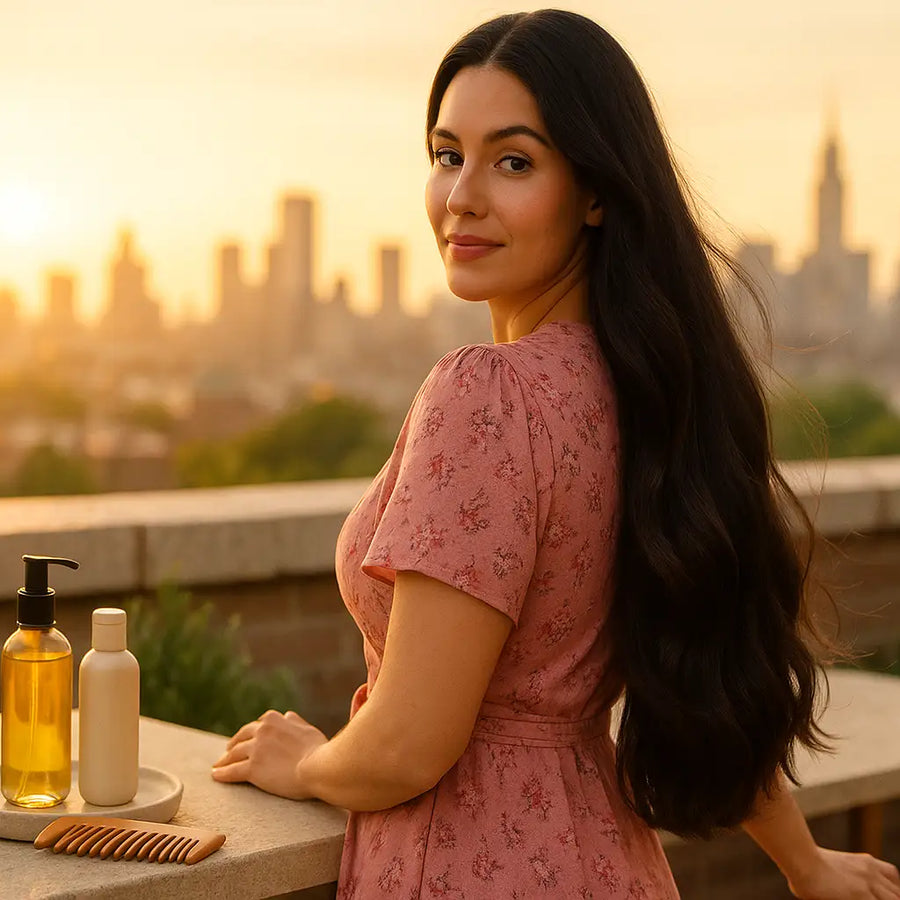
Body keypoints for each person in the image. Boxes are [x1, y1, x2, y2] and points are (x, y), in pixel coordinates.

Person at [211, 9, 900, 899]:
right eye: (447, 153)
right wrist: (803, 866)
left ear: (597, 191)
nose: (461, 194)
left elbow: (411, 746)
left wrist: (307, 763)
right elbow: (699, 658)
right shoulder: (650, 392)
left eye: (513, 161)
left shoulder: (486, 395)